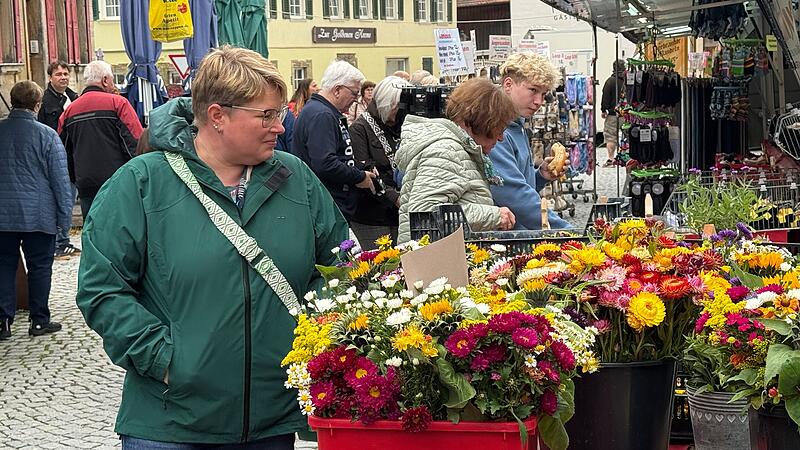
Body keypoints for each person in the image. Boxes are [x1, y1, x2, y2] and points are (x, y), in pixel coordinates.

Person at [76, 46, 348, 449]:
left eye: (279, 114)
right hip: (170, 423)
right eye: (267, 115)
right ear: (218, 116)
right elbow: (102, 288)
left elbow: (341, 267)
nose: (280, 127)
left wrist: (310, 340)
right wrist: (165, 360)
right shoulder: (141, 183)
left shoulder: (298, 180)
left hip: (269, 421)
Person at [395, 78, 518, 243]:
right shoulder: (446, 151)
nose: (501, 137)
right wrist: (493, 216)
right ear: (481, 121)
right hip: (435, 264)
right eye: (499, 127)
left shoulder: (459, 150)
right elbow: (425, 215)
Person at [0, 81, 72, 340]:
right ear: (37, 104)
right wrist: (64, 219)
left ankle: (2, 321)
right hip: (38, 215)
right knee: (40, 266)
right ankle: (39, 319)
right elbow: (61, 182)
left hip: (3, 216)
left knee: (3, 266)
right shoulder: (47, 135)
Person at [490, 53, 571, 230]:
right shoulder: (496, 132)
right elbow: (514, 196)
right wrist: (567, 232)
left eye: (543, 94)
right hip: (505, 240)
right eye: (533, 90)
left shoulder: (517, 126)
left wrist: (540, 176)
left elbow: (516, 183)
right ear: (508, 84)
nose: (538, 102)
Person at [292, 60, 377, 222]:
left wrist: (360, 167)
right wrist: (359, 176)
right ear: (337, 90)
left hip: (329, 203)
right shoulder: (322, 115)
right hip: (328, 205)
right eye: (354, 93)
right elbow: (325, 163)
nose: (356, 99)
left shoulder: (321, 111)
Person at [59, 60, 143, 220]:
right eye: (111, 80)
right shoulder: (118, 104)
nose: (113, 85)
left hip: (85, 185)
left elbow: (63, 151)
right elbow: (135, 143)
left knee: (92, 230)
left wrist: (75, 178)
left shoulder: (69, 111)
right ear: (105, 80)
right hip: (118, 182)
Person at [348, 76, 411, 249]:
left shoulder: (399, 125)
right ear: (385, 104)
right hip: (372, 215)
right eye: (396, 108)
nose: (399, 114)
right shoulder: (359, 129)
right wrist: (395, 197)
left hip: (399, 212)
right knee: (381, 269)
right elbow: (366, 173)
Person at [38, 61, 81, 259]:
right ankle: (58, 242)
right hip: (55, 157)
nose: (63, 77)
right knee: (60, 201)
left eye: (65, 73)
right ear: (50, 78)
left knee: (69, 200)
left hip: (73, 157)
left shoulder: (74, 97)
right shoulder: (45, 102)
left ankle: (63, 240)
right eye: (58, 74)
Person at [601, 60, 626, 167]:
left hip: (612, 115)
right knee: (627, 136)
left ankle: (611, 160)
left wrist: (603, 110)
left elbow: (605, 97)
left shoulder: (610, 81)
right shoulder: (627, 80)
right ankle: (626, 157)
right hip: (627, 114)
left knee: (611, 137)